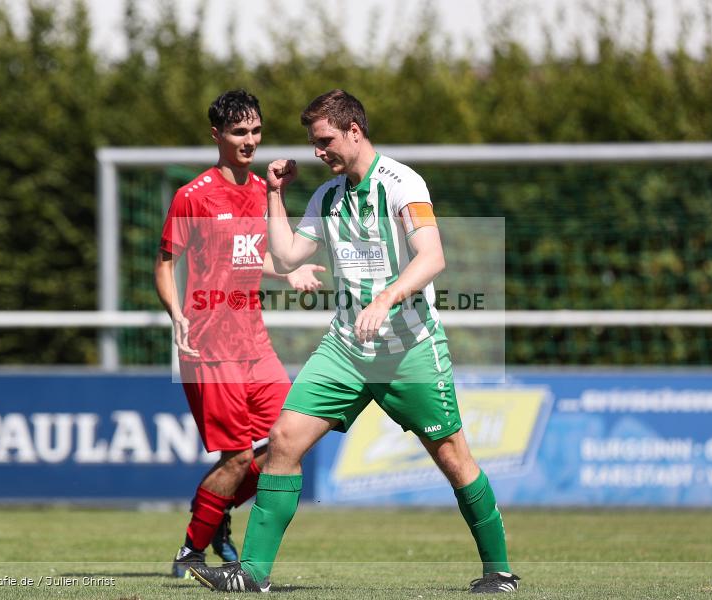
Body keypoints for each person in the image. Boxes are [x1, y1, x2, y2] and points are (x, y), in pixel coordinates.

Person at [189, 89, 520, 594]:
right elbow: (287, 254)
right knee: (282, 441)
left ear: (354, 132)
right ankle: (252, 575)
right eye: (313, 143)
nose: (318, 151)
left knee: (452, 454)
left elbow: (432, 257)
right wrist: (274, 194)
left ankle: (499, 572)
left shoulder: (403, 183)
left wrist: (385, 299)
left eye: (324, 141)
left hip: (409, 349)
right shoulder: (327, 196)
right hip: (344, 350)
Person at [155, 89, 324, 578]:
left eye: (255, 131)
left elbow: (257, 254)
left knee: (289, 439)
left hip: (254, 342)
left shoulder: (259, 190)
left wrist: (288, 272)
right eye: (238, 132)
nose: (249, 141)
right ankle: (191, 550)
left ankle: (218, 510)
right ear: (217, 135)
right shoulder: (194, 195)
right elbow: (165, 265)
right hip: (210, 346)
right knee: (237, 458)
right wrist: (176, 314)